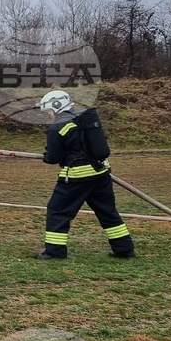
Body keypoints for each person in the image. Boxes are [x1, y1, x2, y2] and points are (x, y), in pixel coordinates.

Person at [35, 90, 135, 260]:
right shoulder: (84, 120)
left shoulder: (57, 128)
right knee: (107, 211)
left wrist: (47, 156)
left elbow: (54, 158)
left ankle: (54, 251)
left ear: (56, 107)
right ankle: (124, 249)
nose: (49, 115)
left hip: (76, 177)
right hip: (101, 173)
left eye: (49, 111)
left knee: (58, 211)